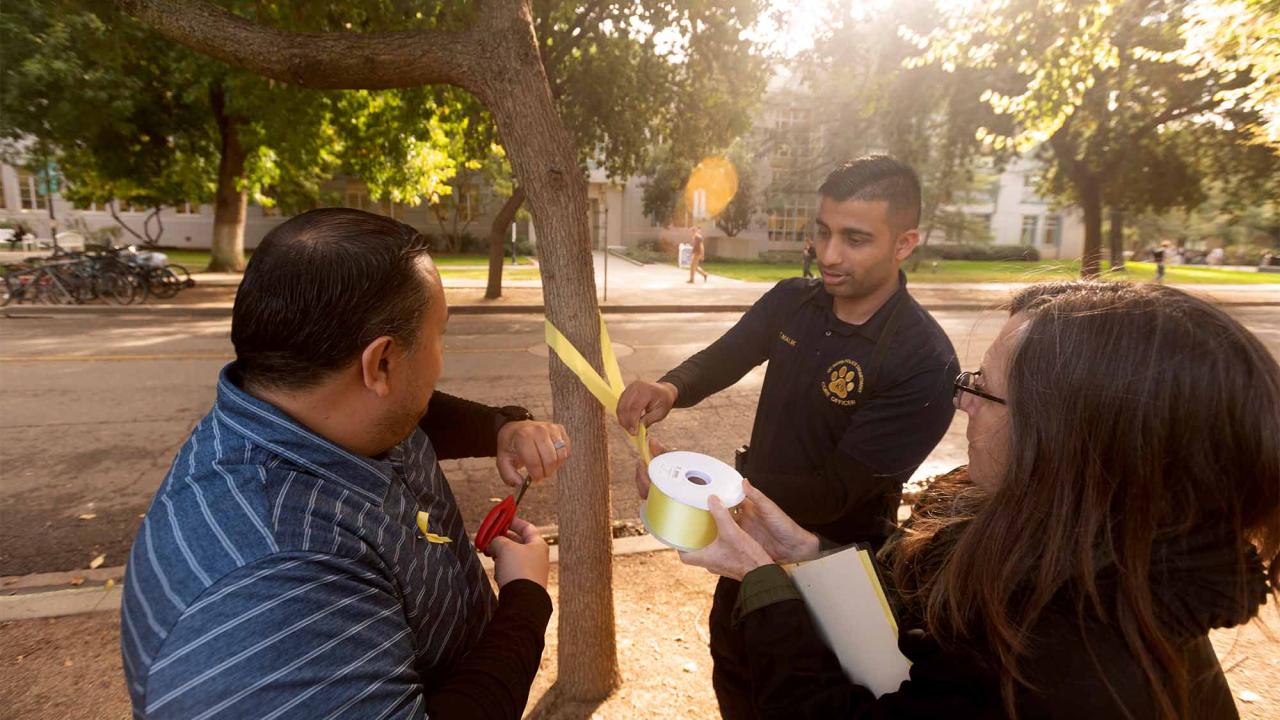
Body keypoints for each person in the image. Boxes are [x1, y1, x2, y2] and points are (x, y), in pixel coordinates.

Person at [677, 281, 1280, 719]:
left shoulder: (1063, 667)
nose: (961, 401)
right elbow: (917, 643)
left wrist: (764, 586)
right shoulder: (1088, 571)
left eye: (983, 389)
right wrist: (807, 554)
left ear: (1066, 442)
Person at [121, 209, 570, 719]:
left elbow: (416, 416)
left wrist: (499, 427)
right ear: (380, 364)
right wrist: (526, 598)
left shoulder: (313, 403)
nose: (442, 356)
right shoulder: (275, 595)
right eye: (440, 335)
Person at [617, 156, 958, 718]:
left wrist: (705, 485)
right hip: (744, 556)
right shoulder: (792, 301)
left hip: (834, 574)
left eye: (855, 239)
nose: (828, 255)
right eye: (822, 232)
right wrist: (672, 387)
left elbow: (834, 492)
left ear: (904, 244)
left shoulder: (925, 363)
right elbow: (730, 353)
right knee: (737, 680)